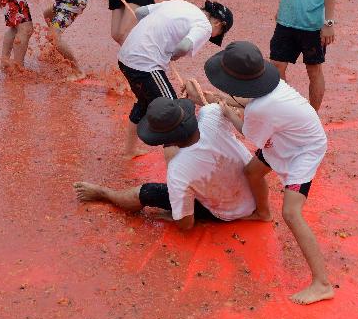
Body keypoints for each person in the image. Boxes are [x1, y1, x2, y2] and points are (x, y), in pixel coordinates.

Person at [204, 41, 333, 306]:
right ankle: (262, 213)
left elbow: (248, 131)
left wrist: (228, 113)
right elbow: (244, 104)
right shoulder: (268, 87)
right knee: (252, 171)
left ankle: (322, 283)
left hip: (305, 150)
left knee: (291, 213)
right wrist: (219, 101)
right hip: (285, 138)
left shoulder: (260, 109)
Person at [73, 90, 267, 229]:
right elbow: (222, 104)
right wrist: (197, 94)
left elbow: (186, 224)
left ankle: (104, 193)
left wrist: (177, 214)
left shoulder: (178, 171)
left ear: (163, 140)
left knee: (147, 192)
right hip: (255, 194)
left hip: (228, 212)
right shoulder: (210, 115)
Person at [115, 0, 233, 158]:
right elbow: (184, 47)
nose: (213, 36)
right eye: (218, 34)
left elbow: (140, 12)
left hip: (125, 57)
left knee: (144, 102)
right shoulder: (204, 25)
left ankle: (129, 151)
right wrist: (174, 55)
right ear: (218, 23)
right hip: (145, 64)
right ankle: (179, 164)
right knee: (174, 113)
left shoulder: (181, 4)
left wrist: (153, 35)